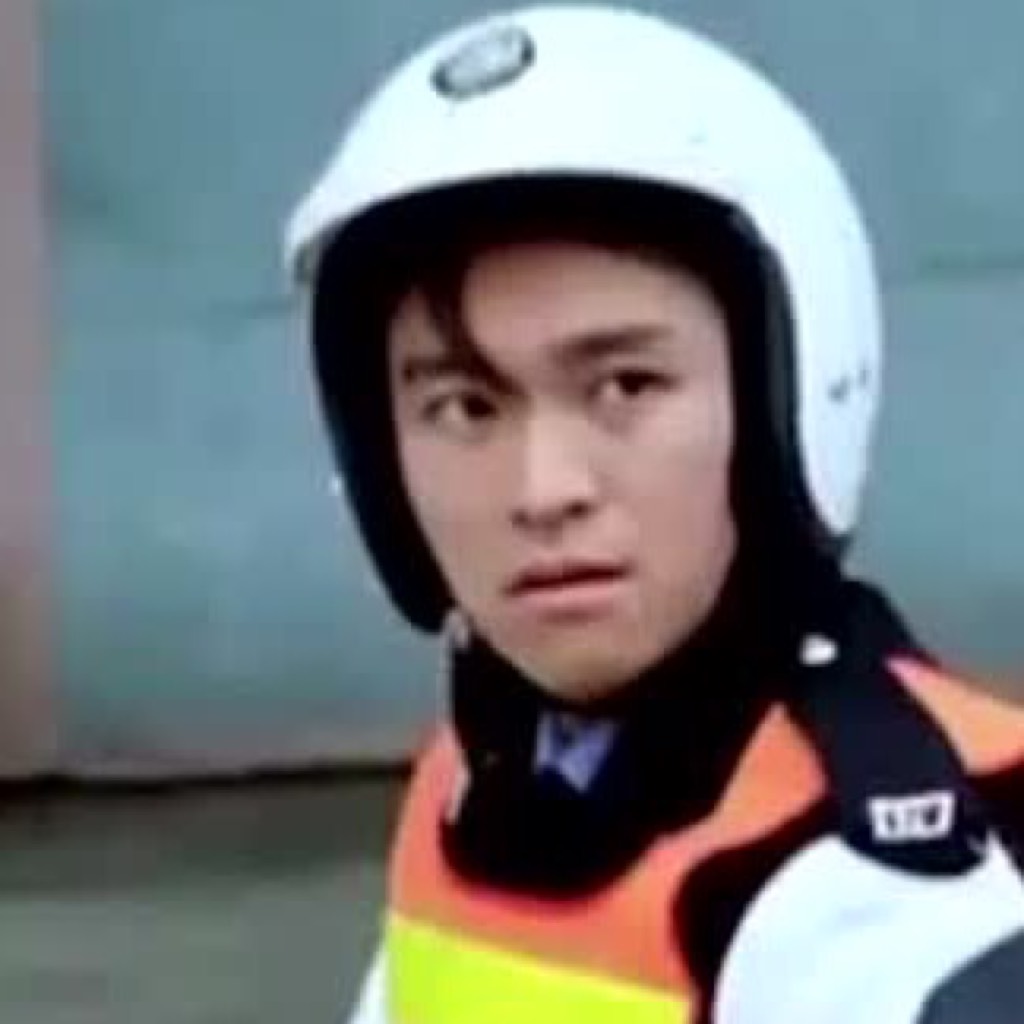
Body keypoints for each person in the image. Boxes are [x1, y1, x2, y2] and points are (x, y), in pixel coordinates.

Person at [284, 6, 1024, 1022]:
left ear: (782, 405)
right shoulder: (485, 784)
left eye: (625, 386)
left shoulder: (886, 903)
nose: (543, 490)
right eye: (464, 408)